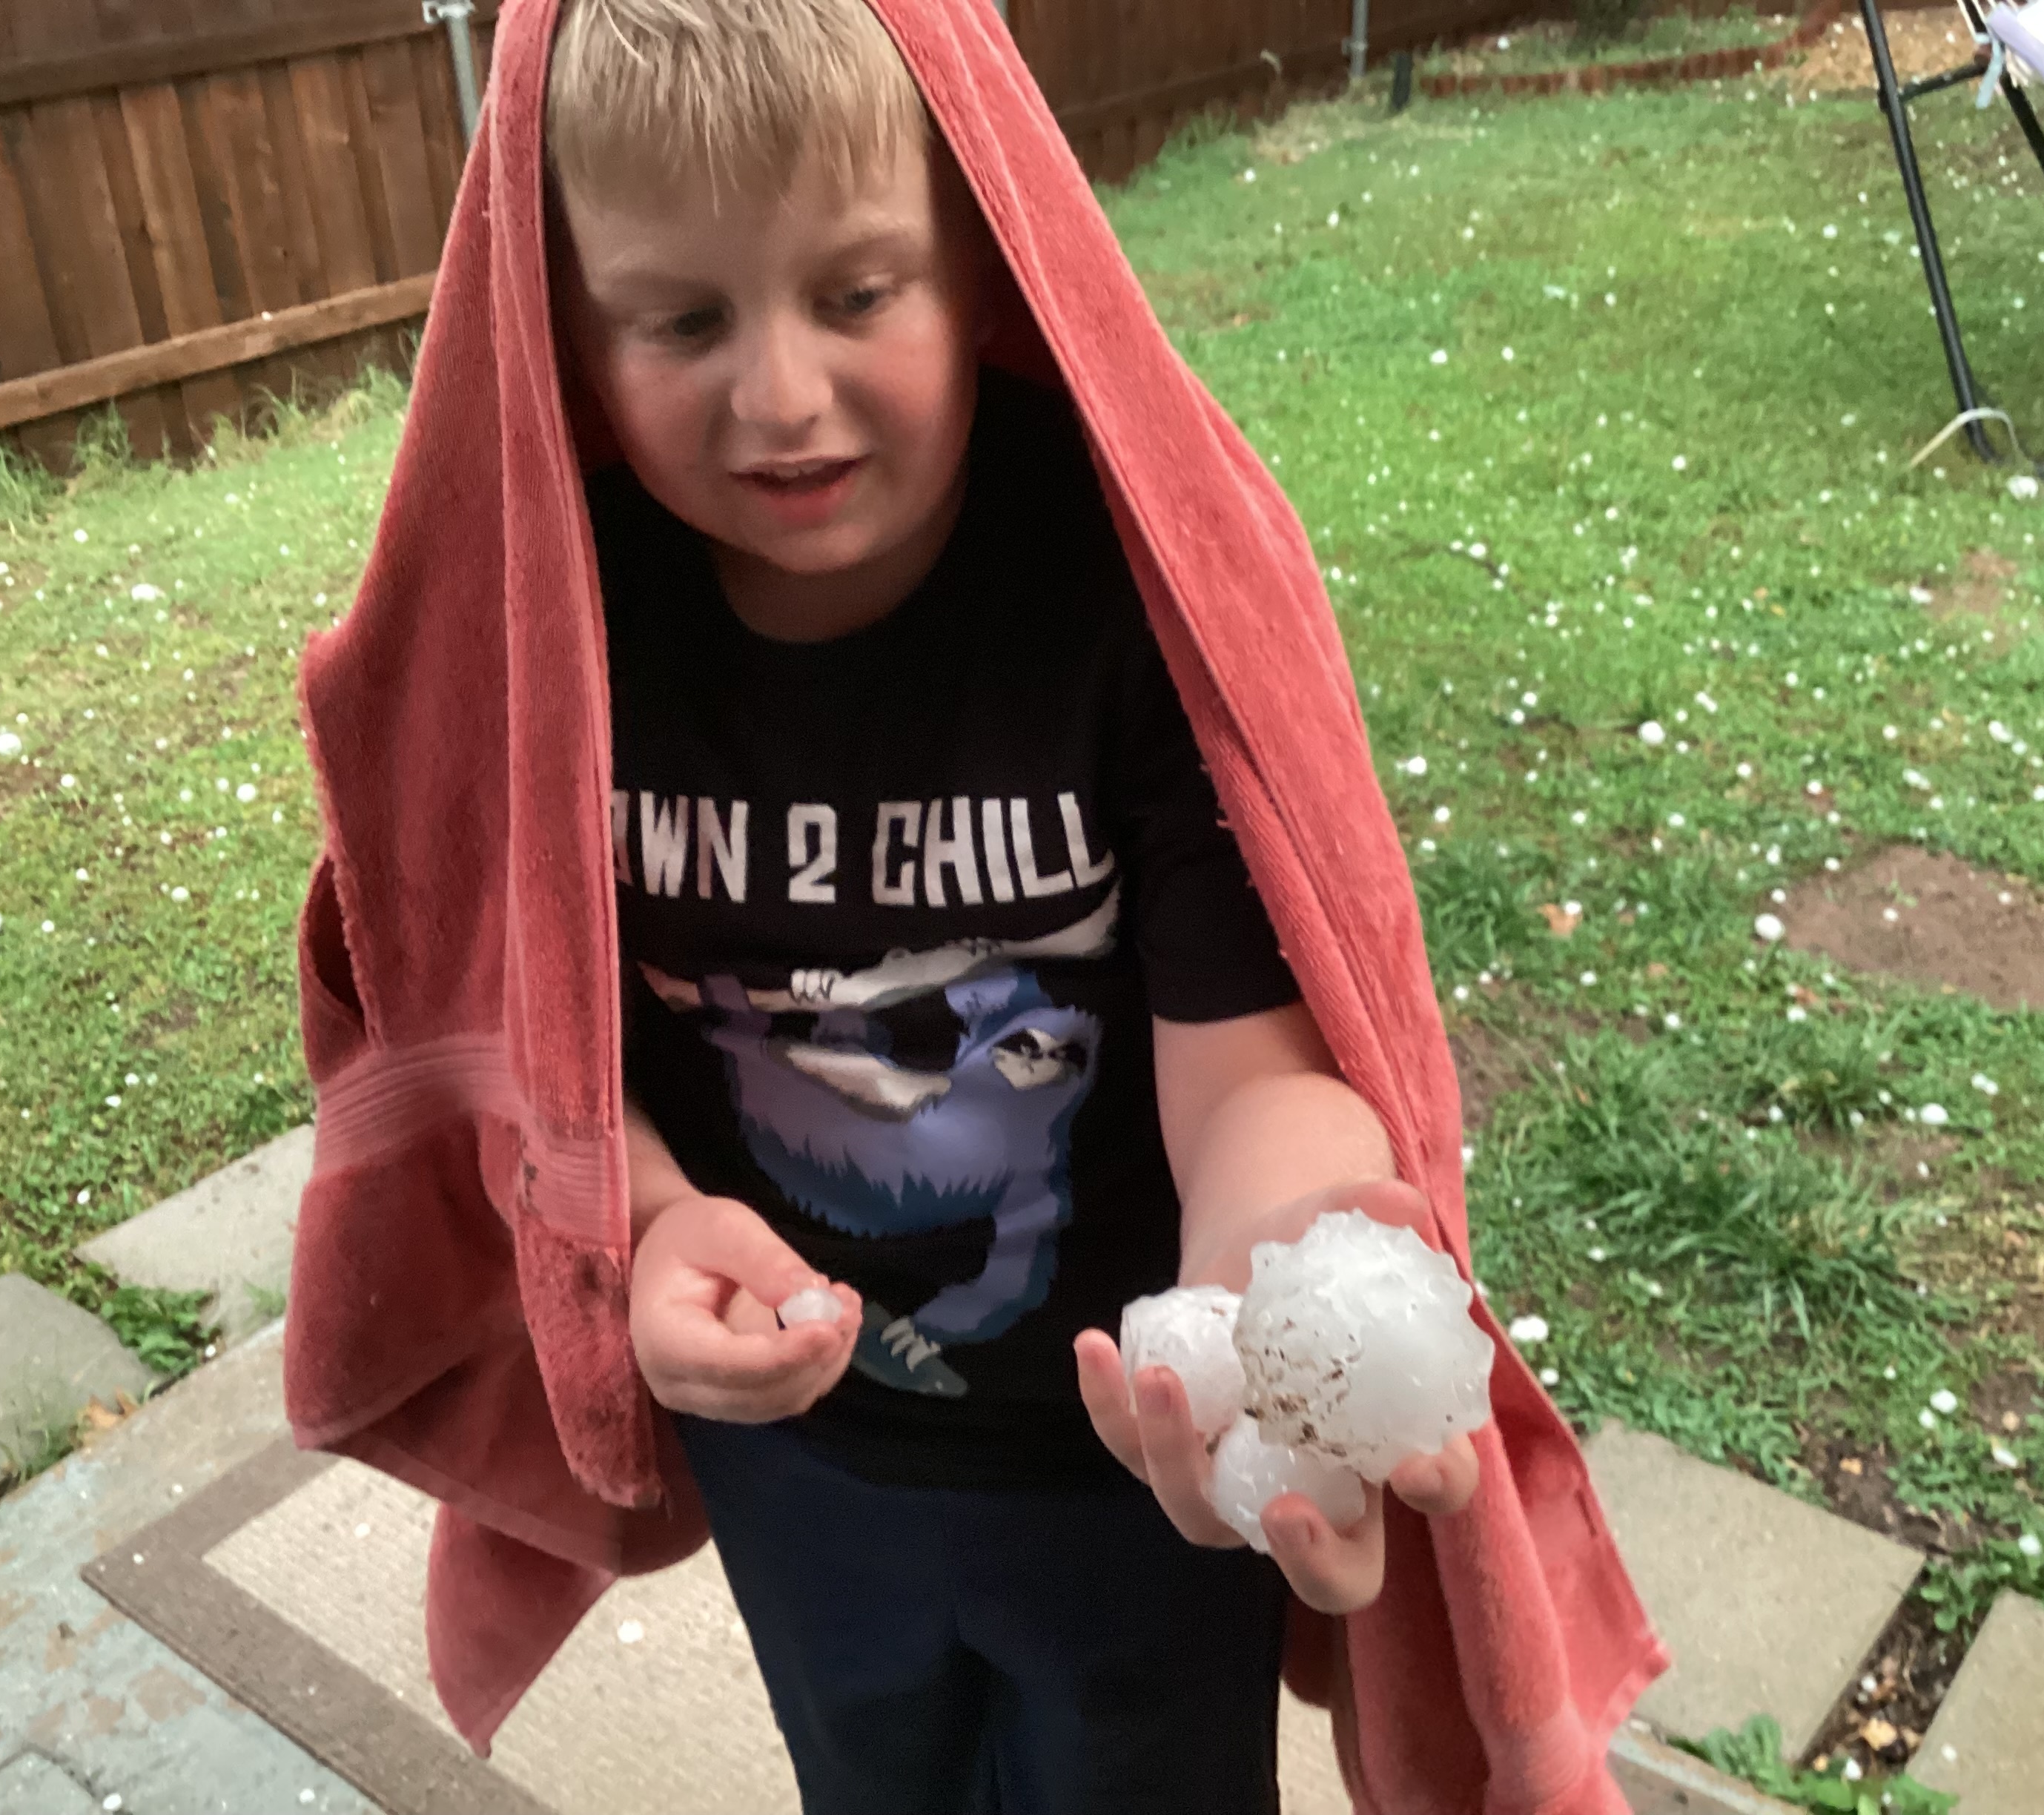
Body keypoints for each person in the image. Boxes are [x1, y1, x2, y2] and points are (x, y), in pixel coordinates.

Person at [540, 0, 1481, 1807]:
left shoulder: (1128, 597)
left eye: (856, 290)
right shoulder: (566, 636)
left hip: (1125, 1456)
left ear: (981, 266)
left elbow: (1251, 1078)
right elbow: (541, 1033)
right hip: (801, 1459)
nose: (781, 397)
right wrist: (652, 1224)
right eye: (683, 319)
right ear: (573, 336)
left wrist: (1284, 1302)